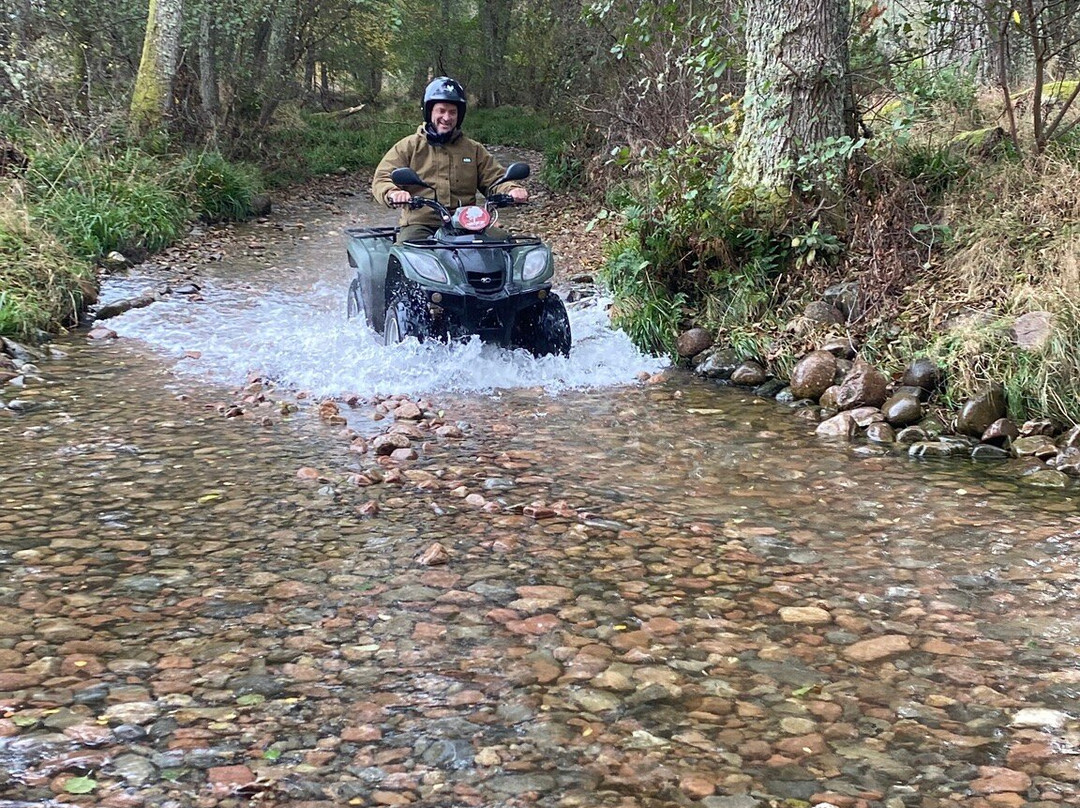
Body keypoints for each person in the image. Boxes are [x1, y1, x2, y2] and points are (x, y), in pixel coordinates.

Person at [371, 76, 528, 242]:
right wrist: (394, 193)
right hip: (422, 224)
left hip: (467, 223)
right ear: (429, 111)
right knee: (407, 252)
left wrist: (511, 190)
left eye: (452, 112)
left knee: (505, 246)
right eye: (441, 110)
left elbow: (495, 179)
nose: (446, 117)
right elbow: (382, 178)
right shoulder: (409, 146)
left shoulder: (473, 149)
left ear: (459, 116)